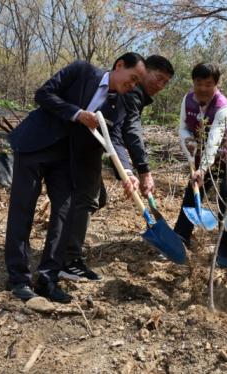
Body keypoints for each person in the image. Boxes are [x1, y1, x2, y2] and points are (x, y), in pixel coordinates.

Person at [5, 53, 145, 302]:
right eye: (132, 78)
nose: (132, 85)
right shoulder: (82, 71)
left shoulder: (120, 104)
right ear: (119, 66)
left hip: (66, 159)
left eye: (137, 83)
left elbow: (115, 139)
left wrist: (128, 172)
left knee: (65, 213)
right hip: (35, 145)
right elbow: (43, 94)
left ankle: (48, 278)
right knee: (22, 210)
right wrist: (77, 114)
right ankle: (18, 279)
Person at [59, 54, 174, 282]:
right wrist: (143, 170)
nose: (160, 86)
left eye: (165, 82)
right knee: (86, 198)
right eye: (158, 78)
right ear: (143, 72)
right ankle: (68, 259)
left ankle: (63, 239)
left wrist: (129, 171)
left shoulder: (132, 92)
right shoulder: (130, 91)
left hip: (91, 145)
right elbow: (130, 132)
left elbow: (117, 134)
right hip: (77, 143)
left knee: (96, 199)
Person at [174, 62, 227, 268]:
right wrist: (188, 141)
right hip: (201, 155)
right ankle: (179, 240)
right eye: (199, 83)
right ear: (193, 82)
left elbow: (214, 140)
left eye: (208, 84)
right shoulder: (188, 99)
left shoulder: (223, 107)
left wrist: (203, 169)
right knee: (191, 196)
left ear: (216, 84)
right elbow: (183, 127)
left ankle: (224, 249)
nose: (203, 88)